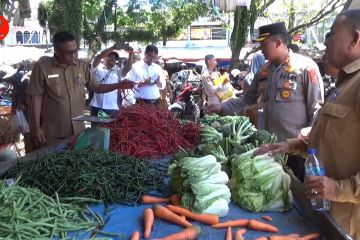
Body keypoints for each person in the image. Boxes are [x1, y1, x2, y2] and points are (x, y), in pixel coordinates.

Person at [255, 10, 360, 239]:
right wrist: (289, 145)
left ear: (355, 39)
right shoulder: (345, 84)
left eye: (331, 34)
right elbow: (329, 138)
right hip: (322, 213)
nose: (325, 41)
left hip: (347, 224)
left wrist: (338, 189)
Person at [206, 22, 324, 181]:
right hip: (269, 149)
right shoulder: (263, 71)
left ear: (278, 43)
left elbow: (317, 110)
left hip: (296, 151)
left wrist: (309, 140)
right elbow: (248, 98)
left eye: (264, 44)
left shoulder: (305, 67)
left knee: (296, 195)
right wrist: (221, 107)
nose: (260, 49)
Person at [27, 31, 135, 147]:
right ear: (57, 50)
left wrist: (119, 85)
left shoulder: (81, 67)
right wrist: (36, 127)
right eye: (68, 53)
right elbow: (36, 98)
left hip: (78, 131)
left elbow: (96, 87)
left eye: (75, 51)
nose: (73, 55)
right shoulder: (43, 67)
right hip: (53, 133)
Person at [90, 43, 133, 118]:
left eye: (115, 58)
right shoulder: (97, 68)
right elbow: (98, 57)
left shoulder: (118, 71)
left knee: (110, 129)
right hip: (96, 105)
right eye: (110, 56)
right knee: (95, 128)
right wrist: (113, 47)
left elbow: (128, 68)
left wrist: (131, 53)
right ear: (105, 57)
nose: (113, 59)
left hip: (111, 107)